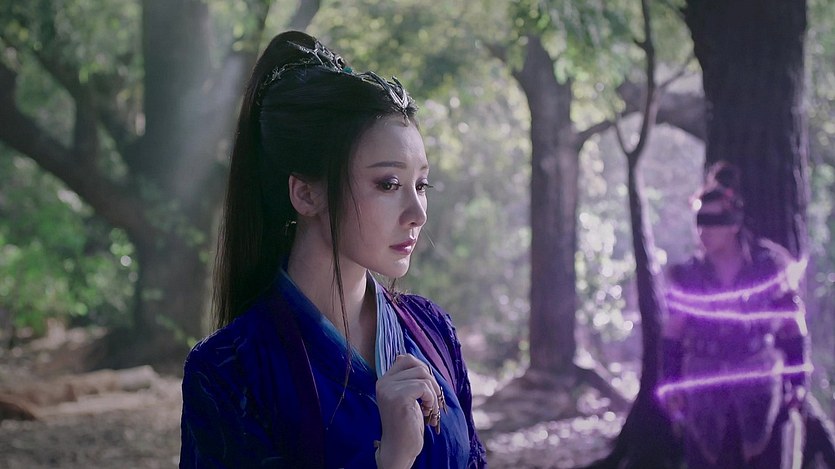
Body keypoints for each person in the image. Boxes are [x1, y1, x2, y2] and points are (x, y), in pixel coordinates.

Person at [179, 30, 486, 468]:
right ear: (306, 194)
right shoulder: (229, 370)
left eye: (421, 185)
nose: (417, 213)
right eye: (388, 184)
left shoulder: (433, 330)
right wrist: (391, 460)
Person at [658, 161, 809, 468]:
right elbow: (673, 333)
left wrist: (798, 380)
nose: (705, 231)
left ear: (734, 224)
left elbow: (793, 326)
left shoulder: (769, 267)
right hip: (704, 393)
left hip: (761, 390)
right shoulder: (688, 277)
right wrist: (672, 382)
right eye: (700, 221)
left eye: (714, 221)